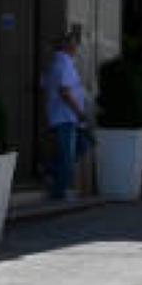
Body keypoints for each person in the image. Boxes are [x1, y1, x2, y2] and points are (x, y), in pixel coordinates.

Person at [42, 30, 90, 201]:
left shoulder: (56, 62)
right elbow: (64, 91)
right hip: (66, 117)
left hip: (61, 116)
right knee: (68, 156)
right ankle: (60, 191)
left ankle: (50, 170)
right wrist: (79, 112)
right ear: (69, 47)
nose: (77, 48)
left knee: (81, 146)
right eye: (75, 45)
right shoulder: (64, 63)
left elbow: (44, 84)